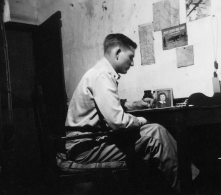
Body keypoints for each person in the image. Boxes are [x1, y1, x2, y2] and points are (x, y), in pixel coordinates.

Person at [65, 33, 178, 193]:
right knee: (156, 133)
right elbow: (117, 121)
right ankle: (186, 186)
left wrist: (132, 105)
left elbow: (106, 106)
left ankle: (181, 182)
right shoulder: (102, 76)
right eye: (130, 57)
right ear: (117, 53)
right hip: (84, 148)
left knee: (155, 137)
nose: (132, 63)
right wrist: (140, 120)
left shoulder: (99, 73)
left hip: (87, 142)